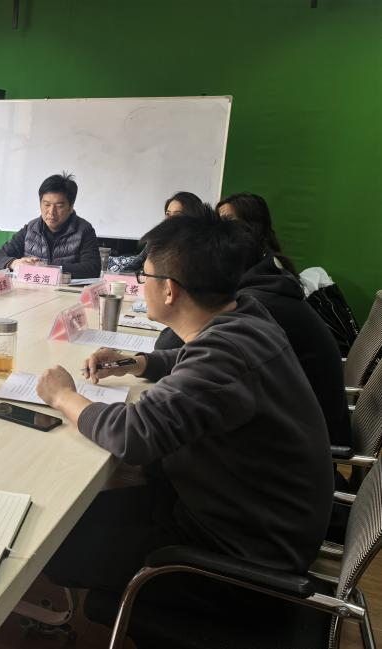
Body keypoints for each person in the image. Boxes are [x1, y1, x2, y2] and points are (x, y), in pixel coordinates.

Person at [35, 211, 332, 646]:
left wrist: (63, 396)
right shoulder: (247, 317)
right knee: (81, 515)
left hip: (237, 561)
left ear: (169, 289)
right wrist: (139, 362)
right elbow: (195, 359)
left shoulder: (227, 353)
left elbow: (132, 435)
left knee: (55, 544)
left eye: (144, 275)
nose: (140, 283)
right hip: (254, 521)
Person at [156, 191, 350, 446]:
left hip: (301, 441)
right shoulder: (269, 276)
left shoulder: (259, 298)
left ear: (251, 233)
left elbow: (172, 346)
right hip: (297, 424)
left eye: (227, 224)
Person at [0, 173, 100, 278]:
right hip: (32, 291)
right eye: (46, 205)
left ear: (71, 207)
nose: (51, 212)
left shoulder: (84, 230)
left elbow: (92, 268)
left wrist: (46, 267)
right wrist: (14, 263)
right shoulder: (31, 229)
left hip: (64, 291)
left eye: (59, 206)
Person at [123, 191, 206, 272]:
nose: (170, 219)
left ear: (192, 217)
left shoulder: (201, 247)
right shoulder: (156, 240)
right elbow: (131, 267)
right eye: (168, 214)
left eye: (177, 215)